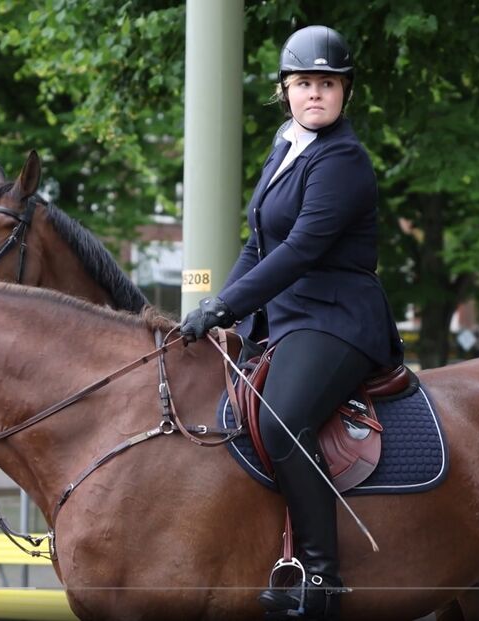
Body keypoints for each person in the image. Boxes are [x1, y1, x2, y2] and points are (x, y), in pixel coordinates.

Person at [181, 25, 404, 620]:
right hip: (286, 315)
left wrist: (223, 307)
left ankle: (321, 579)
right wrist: (219, 310)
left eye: (327, 84)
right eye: (305, 83)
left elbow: (301, 250)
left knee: (283, 420)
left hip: (337, 316)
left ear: (344, 93)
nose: (315, 94)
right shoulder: (288, 147)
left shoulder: (343, 160)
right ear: (285, 90)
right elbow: (259, 244)